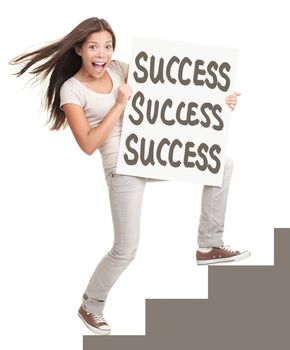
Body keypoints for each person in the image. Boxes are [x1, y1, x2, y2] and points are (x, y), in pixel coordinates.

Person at [10, 17, 250, 335]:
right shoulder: (71, 90)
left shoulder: (118, 69)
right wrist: (119, 105)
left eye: (108, 46)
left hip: (149, 151)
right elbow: (88, 144)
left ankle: (208, 245)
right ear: (79, 49)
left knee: (223, 163)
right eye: (94, 46)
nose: (102, 54)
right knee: (126, 248)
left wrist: (219, 101)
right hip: (120, 167)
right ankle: (90, 305)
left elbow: (170, 89)